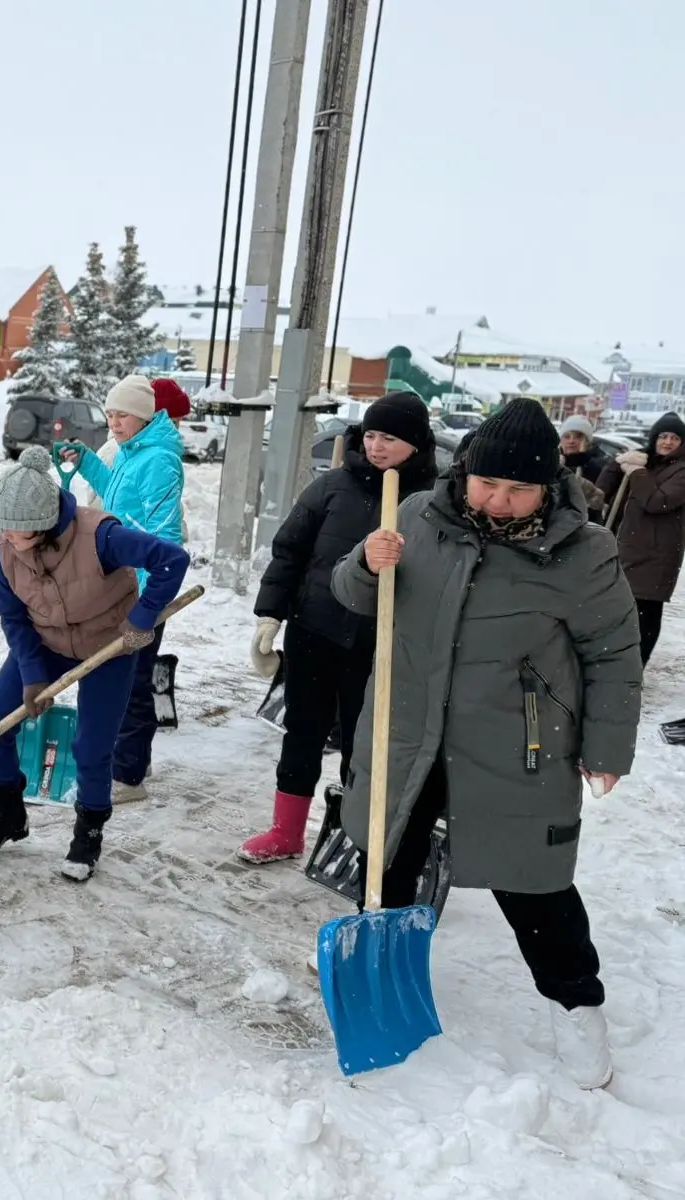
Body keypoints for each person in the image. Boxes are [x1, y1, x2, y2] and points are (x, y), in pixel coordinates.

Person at [332, 397, 642, 1090]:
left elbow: (614, 655)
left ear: (548, 486)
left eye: (518, 488)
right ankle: (382, 976)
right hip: (407, 732)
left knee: (534, 883)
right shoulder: (416, 516)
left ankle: (576, 1006)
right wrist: (366, 564)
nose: (499, 501)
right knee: (387, 858)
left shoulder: (582, 552)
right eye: (487, 483)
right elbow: (354, 596)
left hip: (516, 743)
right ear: (464, 472)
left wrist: (607, 746)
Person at [0, 446, 189, 880]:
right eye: (2, 527)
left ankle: (88, 832)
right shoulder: (3, 555)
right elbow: (13, 618)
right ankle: (10, 814)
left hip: (108, 645)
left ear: (41, 524)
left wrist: (142, 618)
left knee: (92, 746)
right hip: (45, 642)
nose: (5, 537)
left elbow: (171, 561)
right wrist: (33, 675)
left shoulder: (101, 537)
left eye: (15, 529)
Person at [240, 394, 438, 863]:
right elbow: (289, 552)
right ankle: (286, 831)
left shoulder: (431, 503)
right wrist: (270, 614)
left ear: (415, 444)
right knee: (302, 732)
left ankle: (358, 839)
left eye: (389, 438)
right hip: (315, 630)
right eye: (370, 435)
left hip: (380, 643)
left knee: (365, 745)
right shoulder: (330, 487)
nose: (376, 446)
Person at [59, 376, 187, 803]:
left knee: (132, 683)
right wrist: (86, 463)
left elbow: (164, 536)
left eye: (123, 415)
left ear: (144, 416)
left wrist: (146, 605)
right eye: (110, 414)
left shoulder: (159, 461)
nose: (114, 423)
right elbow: (116, 498)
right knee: (122, 678)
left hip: (141, 593)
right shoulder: (135, 452)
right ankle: (132, 759)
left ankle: (129, 776)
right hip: (122, 586)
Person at [595, 411, 685, 666]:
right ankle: (617, 665)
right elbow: (602, 492)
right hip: (625, 548)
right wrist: (618, 463)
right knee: (618, 612)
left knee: (645, 615)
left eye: (675, 438)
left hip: (657, 555)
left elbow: (657, 502)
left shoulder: (681, 471)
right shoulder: (648, 464)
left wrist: (636, 472)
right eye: (663, 436)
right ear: (654, 438)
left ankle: (635, 668)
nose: (667, 442)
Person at [559, 416, 612, 520]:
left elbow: (599, 503)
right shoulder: (553, 463)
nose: (571, 441)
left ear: (587, 441)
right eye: (567, 436)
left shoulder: (598, 466)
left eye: (578, 437)